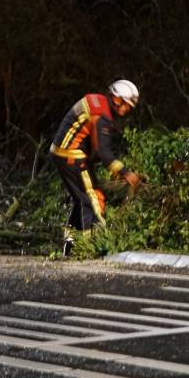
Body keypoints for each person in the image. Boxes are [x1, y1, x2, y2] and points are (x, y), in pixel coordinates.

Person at [50, 79, 142, 256]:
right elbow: (103, 153)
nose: (127, 111)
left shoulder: (97, 101)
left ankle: (69, 244)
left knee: (80, 199)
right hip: (72, 155)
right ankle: (91, 245)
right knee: (93, 198)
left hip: (62, 152)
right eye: (127, 106)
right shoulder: (103, 116)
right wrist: (125, 172)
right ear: (117, 99)